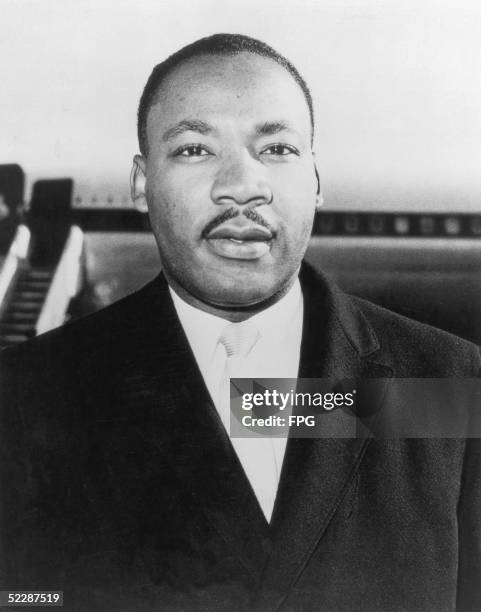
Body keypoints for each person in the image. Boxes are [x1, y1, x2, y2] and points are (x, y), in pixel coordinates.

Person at [0, 34, 480, 612]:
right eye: (195, 150)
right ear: (141, 182)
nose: (242, 185)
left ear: (317, 181)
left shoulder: (451, 385)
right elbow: (22, 597)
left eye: (276, 148)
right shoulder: (26, 394)